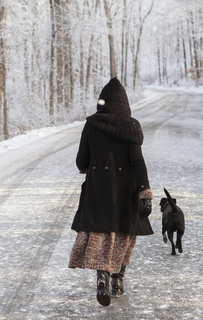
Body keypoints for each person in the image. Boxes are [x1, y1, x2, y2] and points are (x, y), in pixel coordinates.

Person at [68, 77, 153, 307]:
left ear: (102, 103)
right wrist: (145, 191)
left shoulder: (92, 124)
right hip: (126, 193)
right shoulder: (132, 126)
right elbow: (138, 162)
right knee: (124, 235)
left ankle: (102, 277)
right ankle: (118, 280)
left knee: (100, 235)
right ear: (125, 104)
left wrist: (93, 165)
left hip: (98, 191)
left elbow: (81, 162)